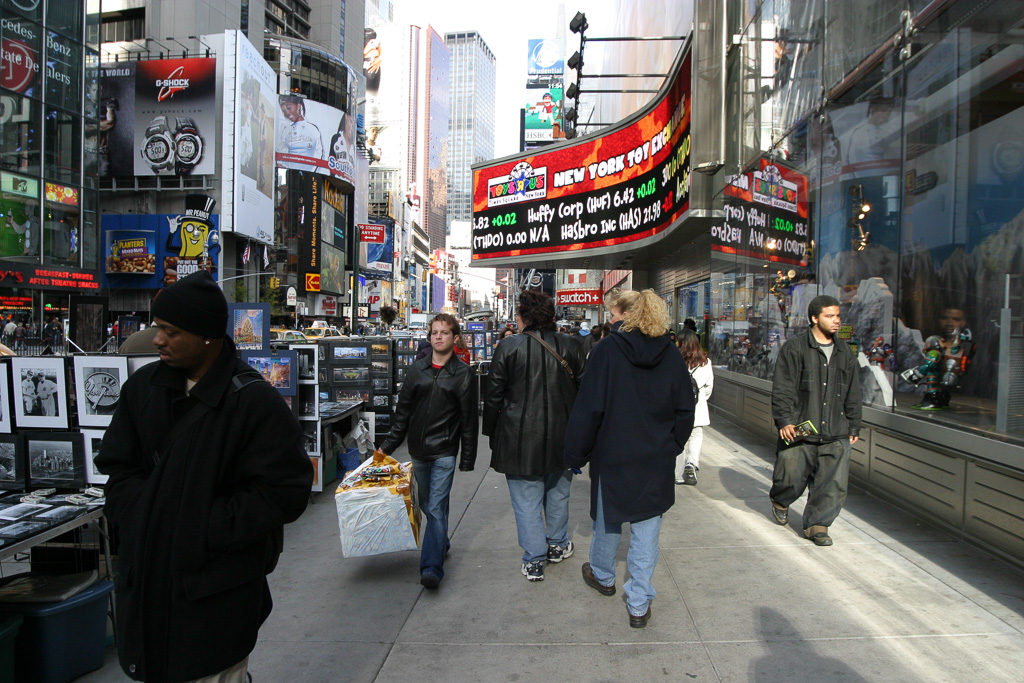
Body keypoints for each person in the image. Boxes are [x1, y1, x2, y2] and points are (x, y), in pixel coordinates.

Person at [96, 270, 313, 682]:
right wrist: (143, 516)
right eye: (158, 328)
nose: (158, 340)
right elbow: (118, 468)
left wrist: (203, 527)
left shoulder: (253, 403)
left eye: (172, 332)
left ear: (207, 336)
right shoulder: (143, 390)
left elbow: (284, 492)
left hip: (217, 595)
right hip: (147, 585)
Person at [564, 289, 695, 628]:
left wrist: (576, 452)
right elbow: (685, 406)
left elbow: (589, 407)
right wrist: (673, 445)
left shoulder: (607, 350)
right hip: (655, 458)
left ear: (628, 314)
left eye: (613, 313)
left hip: (614, 455)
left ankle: (604, 576)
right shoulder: (670, 353)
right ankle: (638, 603)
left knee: (608, 520)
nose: (610, 319)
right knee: (647, 530)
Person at [483, 290, 586, 582]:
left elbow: (492, 397)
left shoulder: (508, 347)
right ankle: (557, 544)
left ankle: (534, 559)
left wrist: (492, 433)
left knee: (526, 500)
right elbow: (585, 394)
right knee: (558, 493)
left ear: (524, 317)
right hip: (563, 437)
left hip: (519, 439)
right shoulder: (572, 345)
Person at [377, 314, 477, 589]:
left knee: (434, 506)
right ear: (429, 336)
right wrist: (386, 447)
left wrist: (467, 458)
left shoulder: (463, 374)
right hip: (418, 450)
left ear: (455, 338)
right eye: (434, 332)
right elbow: (402, 414)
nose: (438, 337)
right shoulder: (416, 370)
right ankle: (441, 541)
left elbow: (469, 421)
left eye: (444, 333)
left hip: (445, 450)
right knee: (428, 505)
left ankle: (431, 567)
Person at [769, 294, 862, 547]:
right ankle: (780, 499)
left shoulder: (845, 353)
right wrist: (785, 420)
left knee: (832, 485)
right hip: (800, 429)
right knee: (789, 478)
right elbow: (783, 388)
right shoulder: (795, 348)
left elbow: (854, 391)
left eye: (838, 316)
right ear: (814, 318)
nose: (836, 321)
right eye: (829, 316)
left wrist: (854, 424)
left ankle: (817, 525)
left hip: (835, 431)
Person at [675, 329, 714, 486]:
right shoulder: (706, 361)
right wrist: (701, 398)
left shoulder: (676, 360)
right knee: (696, 435)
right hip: (699, 407)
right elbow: (709, 387)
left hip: (679, 406)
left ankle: (677, 474)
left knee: (679, 438)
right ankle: (691, 464)